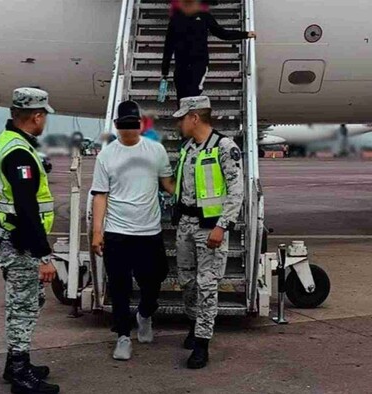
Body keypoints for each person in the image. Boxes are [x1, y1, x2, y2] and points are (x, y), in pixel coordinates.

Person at [90, 100, 175, 361]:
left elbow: (167, 184)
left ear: (140, 125)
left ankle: (145, 314)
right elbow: (100, 195)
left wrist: (192, 198)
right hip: (117, 231)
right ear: (116, 126)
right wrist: (97, 231)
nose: (128, 130)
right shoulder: (106, 155)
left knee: (154, 280)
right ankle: (123, 336)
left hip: (149, 231)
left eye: (132, 125)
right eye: (123, 126)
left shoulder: (156, 150)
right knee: (119, 286)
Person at [0, 88, 60, 394]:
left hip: (9, 236)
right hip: (21, 242)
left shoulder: (6, 141)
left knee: (25, 302)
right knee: (24, 307)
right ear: (37, 116)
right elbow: (27, 207)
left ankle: (15, 363)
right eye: (45, 116)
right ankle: (19, 374)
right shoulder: (20, 153)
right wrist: (44, 255)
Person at [172, 96, 244, 369]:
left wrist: (222, 226)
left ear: (194, 118)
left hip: (210, 228)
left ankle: (203, 342)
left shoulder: (224, 147)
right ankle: (193, 323)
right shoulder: (188, 148)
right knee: (187, 281)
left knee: (207, 285)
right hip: (186, 225)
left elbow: (236, 191)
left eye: (182, 118)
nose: (179, 123)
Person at [162, 0, 256, 101]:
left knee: (193, 94)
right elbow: (168, 45)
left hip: (199, 64)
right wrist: (165, 71)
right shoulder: (176, 19)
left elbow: (222, 33)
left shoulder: (204, 16)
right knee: (181, 97)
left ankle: (192, 115)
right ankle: (183, 116)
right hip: (181, 65)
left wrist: (245, 34)